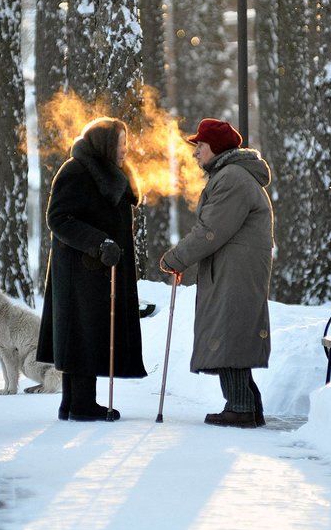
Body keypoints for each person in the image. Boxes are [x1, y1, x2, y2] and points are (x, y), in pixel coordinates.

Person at [160, 118, 274, 429]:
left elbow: (211, 231)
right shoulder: (230, 176)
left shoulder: (232, 179)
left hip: (235, 270)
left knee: (230, 331)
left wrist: (175, 259)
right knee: (231, 331)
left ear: (217, 148)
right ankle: (246, 406)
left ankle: (240, 408)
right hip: (232, 267)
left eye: (200, 145)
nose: (195, 152)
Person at [37, 117, 147, 421]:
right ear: (105, 144)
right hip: (81, 268)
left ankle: (73, 403)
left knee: (90, 331)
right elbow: (58, 218)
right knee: (83, 332)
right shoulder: (76, 171)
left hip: (100, 266)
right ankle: (82, 405)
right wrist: (99, 242)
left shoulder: (111, 173)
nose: (125, 149)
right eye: (120, 143)